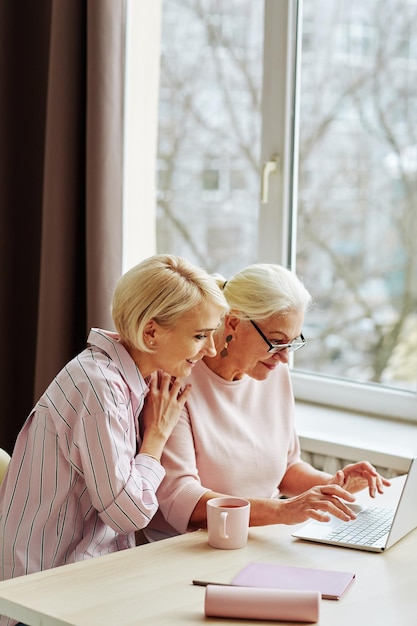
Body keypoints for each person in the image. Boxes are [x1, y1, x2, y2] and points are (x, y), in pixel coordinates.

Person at [0, 254, 228, 626]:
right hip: (41, 598)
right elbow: (127, 514)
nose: (211, 350)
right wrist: (155, 438)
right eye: (200, 336)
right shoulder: (100, 391)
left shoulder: (122, 378)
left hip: (83, 581)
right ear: (151, 332)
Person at [144, 263, 391, 542]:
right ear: (234, 322)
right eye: (276, 342)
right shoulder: (176, 379)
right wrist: (283, 511)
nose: (285, 357)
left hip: (262, 538)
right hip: (195, 545)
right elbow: (182, 501)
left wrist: (334, 485)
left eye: (293, 342)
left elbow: (286, 467)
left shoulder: (274, 374)